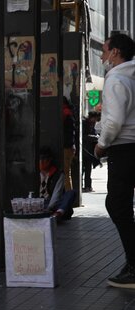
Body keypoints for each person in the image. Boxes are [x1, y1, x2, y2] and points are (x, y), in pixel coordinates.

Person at [94, 33, 135, 289]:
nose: (102, 55)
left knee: (117, 205)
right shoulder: (130, 77)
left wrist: (101, 144)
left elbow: (115, 121)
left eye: (105, 50)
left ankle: (133, 265)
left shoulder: (116, 78)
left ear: (115, 52)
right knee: (121, 205)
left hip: (124, 150)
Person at [39, 147, 75, 221]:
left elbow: (56, 194)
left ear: (50, 160)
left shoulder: (57, 174)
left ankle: (58, 214)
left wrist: (48, 208)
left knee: (71, 193)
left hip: (51, 203)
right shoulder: (35, 173)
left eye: (44, 159)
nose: (42, 162)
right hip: (37, 203)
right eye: (40, 159)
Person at [82, 111, 101, 192]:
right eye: (95, 119)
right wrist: (95, 137)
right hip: (84, 150)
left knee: (88, 169)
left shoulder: (91, 124)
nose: (95, 121)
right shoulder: (84, 123)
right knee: (83, 169)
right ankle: (83, 185)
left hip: (89, 150)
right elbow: (83, 136)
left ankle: (88, 186)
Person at [62, 96, 76, 191]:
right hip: (70, 145)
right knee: (67, 172)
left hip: (67, 145)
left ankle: (68, 195)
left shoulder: (65, 113)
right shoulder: (69, 112)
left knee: (66, 172)